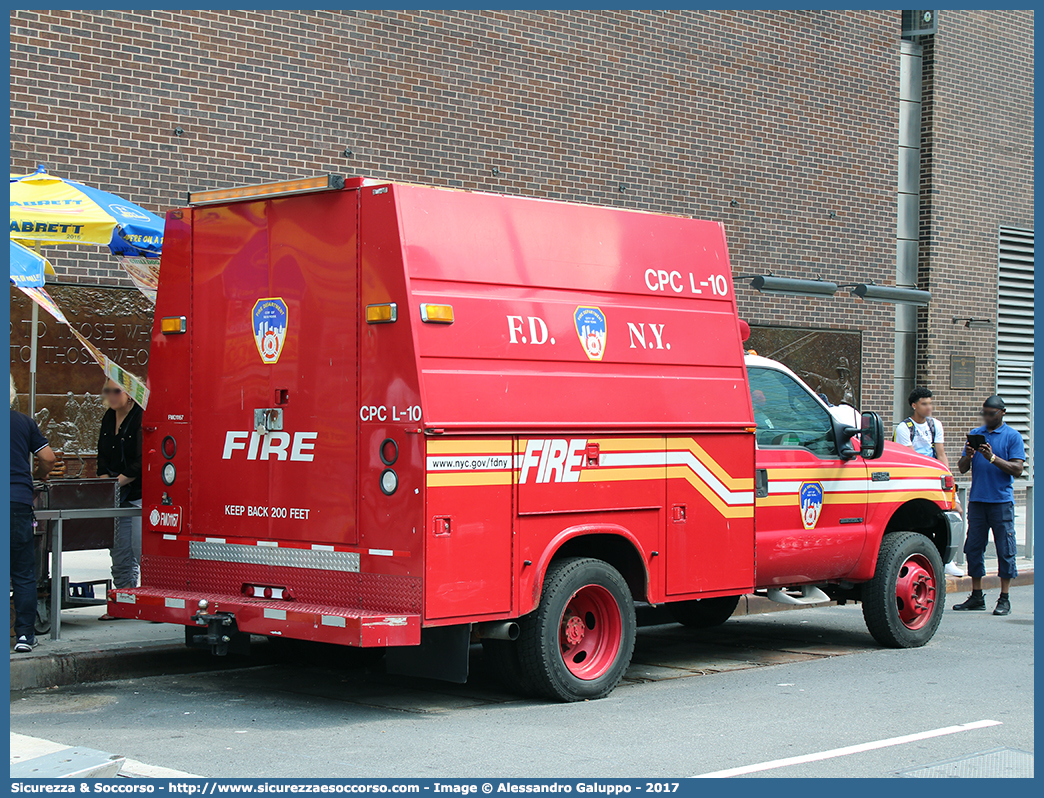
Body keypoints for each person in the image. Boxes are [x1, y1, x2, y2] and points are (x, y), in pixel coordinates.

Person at [952, 395, 1025, 616]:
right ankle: (976, 596)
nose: (987, 417)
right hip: (977, 501)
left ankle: (1004, 598)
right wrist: (970, 455)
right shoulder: (976, 434)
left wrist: (992, 458)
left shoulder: (1013, 437)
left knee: (1005, 549)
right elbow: (962, 467)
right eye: (984, 413)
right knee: (974, 548)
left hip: (1001, 502)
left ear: (1002, 412)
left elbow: (1017, 469)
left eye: (991, 413)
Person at [10, 375, 60, 652]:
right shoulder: (23, 422)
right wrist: (35, 476)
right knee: (23, 572)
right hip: (17, 502)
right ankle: (24, 636)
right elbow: (48, 458)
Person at [892, 386, 964, 577]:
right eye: (924, 404)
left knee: (950, 515)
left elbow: (941, 454)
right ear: (914, 405)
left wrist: (951, 486)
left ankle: (947, 560)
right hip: (915, 478)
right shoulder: (904, 428)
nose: (929, 407)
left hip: (934, 477)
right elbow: (911, 459)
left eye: (930, 403)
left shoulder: (935, 425)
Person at [95, 378, 143, 619]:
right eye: (108, 391)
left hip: (138, 491)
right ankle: (125, 599)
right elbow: (101, 453)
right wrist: (105, 480)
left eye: (117, 391)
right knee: (119, 549)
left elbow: (143, 458)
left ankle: (148, 599)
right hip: (116, 491)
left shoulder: (140, 417)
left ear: (130, 393)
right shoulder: (108, 417)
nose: (111, 395)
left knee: (139, 546)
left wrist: (121, 480)